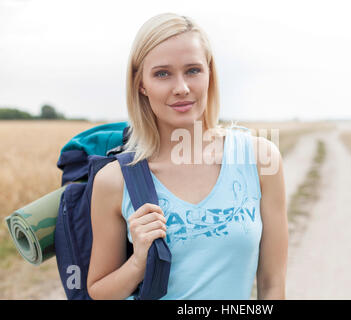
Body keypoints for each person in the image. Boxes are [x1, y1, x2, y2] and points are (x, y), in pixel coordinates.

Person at [86, 12, 288, 300]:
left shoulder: (259, 159)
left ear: (209, 73)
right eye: (162, 73)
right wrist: (137, 262)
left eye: (193, 70)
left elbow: (272, 283)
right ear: (141, 84)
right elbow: (98, 291)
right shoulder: (115, 181)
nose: (181, 88)